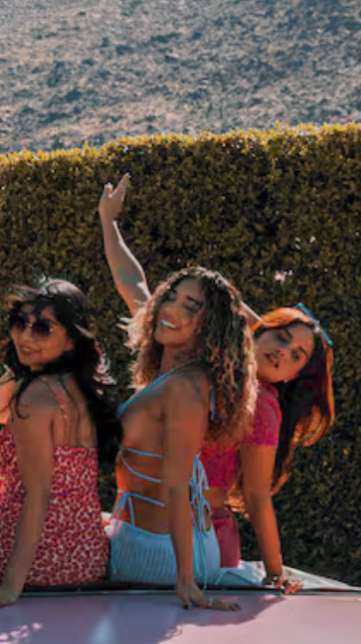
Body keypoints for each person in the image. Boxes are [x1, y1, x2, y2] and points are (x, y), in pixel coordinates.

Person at [98, 172, 335, 590]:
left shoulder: (254, 401)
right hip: (152, 530)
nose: (281, 353)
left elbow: (257, 498)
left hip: (199, 537)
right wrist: (109, 223)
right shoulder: (188, 355)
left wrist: (276, 573)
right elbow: (134, 286)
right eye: (278, 338)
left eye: (295, 355)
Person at [106, 266, 256, 608]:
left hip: (160, 557)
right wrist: (107, 222)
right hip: (149, 543)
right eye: (169, 297)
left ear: (211, 325)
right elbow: (132, 284)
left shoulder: (185, 386)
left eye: (191, 306)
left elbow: (176, 484)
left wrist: (186, 581)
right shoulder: (174, 378)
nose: (171, 309)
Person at [0, 280, 119, 609]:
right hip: (87, 559)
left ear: (70, 341)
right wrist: (23, 364)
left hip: (36, 566)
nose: (25, 336)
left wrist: (10, 586)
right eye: (20, 324)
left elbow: (39, 495)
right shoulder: (81, 391)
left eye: (42, 329)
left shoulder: (36, 398)